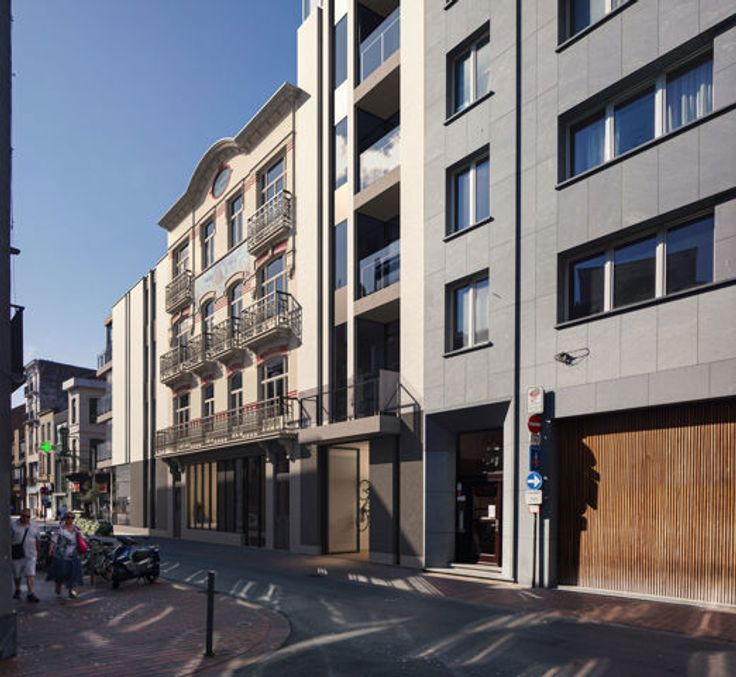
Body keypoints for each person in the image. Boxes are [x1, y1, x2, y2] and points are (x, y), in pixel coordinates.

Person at [47, 512, 85, 599]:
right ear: (65, 518)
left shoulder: (77, 529)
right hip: (61, 555)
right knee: (61, 572)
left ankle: (71, 590)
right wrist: (51, 548)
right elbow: (54, 540)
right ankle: (58, 584)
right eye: (68, 517)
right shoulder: (60, 529)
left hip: (74, 554)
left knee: (73, 573)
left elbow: (82, 539)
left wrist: (82, 541)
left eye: (72, 518)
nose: (70, 519)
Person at [11, 509, 40, 603]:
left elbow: (38, 540)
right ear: (20, 516)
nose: (26, 518)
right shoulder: (13, 526)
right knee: (17, 575)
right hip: (17, 554)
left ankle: (31, 593)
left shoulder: (34, 526)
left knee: (30, 574)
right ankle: (17, 589)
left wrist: (38, 552)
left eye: (28, 516)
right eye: (24, 516)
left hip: (31, 554)